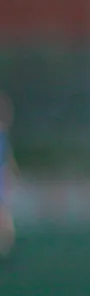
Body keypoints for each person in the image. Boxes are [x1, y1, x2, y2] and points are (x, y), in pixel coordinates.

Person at [0, 94, 15, 261]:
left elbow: (7, 156)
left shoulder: (3, 133)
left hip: (1, 174)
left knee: (3, 211)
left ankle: (5, 245)